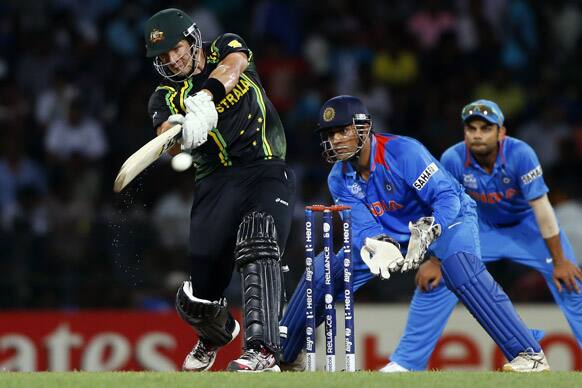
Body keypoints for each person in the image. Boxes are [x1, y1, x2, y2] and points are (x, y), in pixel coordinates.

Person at [280, 95, 549, 372]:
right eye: (329, 134)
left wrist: (431, 228)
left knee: (460, 269)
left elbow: (445, 195)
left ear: (363, 128)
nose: (335, 139)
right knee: (328, 269)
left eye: (342, 130)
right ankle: (284, 354)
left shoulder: (403, 152)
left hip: (448, 219)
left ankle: (529, 354)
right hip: (392, 231)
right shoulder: (338, 177)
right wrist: (377, 244)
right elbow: (361, 226)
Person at [144, 8, 296, 372]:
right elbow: (165, 138)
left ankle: (262, 350)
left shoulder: (225, 45)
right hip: (214, 181)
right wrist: (180, 131)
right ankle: (216, 332)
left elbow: (233, 66)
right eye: (163, 57)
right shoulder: (164, 95)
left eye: (176, 48)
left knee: (260, 239)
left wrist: (206, 98)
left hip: (264, 166)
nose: (173, 59)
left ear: (193, 38)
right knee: (199, 293)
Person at [383, 99, 582, 372]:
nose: (477, 134)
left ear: (501, 133)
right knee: (436, 280)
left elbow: (543, 209)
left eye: (486, 128)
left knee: (571, 280)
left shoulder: (521, 154)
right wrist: (438, 259)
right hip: (481, 227)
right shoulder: (453, 158)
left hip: (527, 228)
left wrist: (559, 260)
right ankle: (406, 363)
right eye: (472, 128)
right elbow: (445, 210)